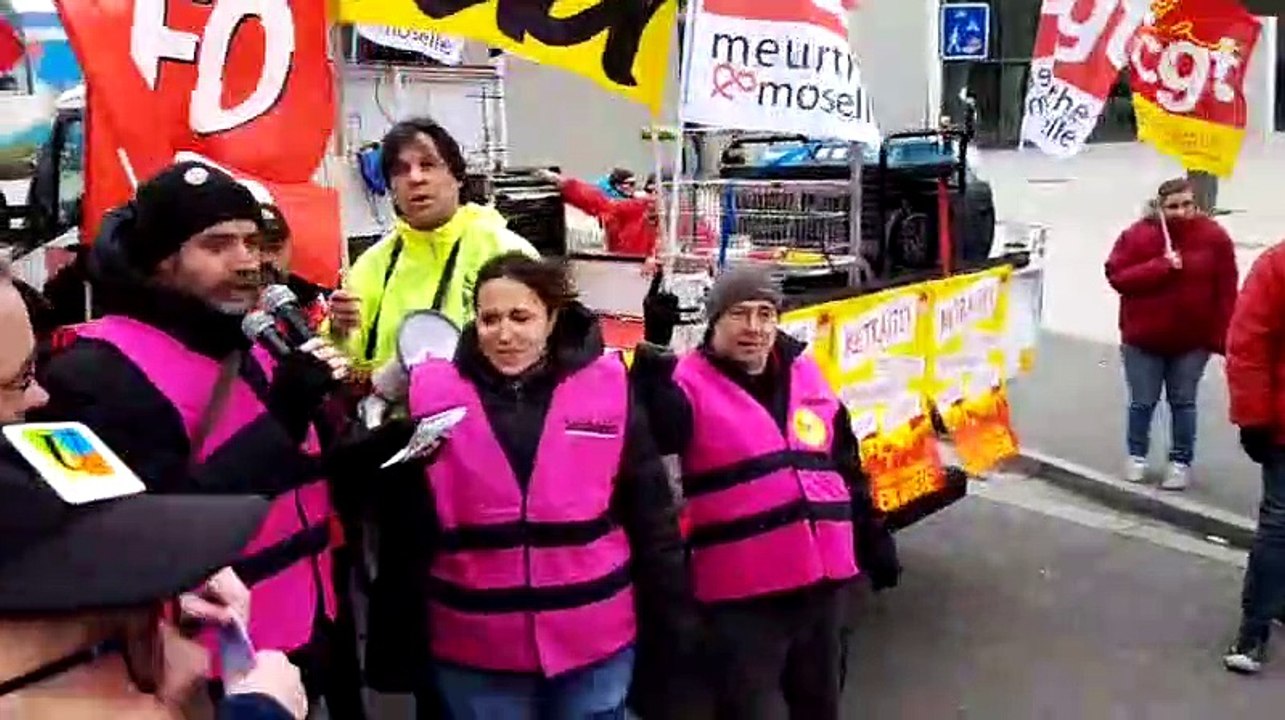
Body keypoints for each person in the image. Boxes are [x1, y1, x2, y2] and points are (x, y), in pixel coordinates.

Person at [30, 161, 349, 706]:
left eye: (253, 242)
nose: (247, 261)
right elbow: (138, 532)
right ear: (162, 261)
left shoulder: (253, 341)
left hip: (307, 636)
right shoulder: (96, 371)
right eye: (218, 244)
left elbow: (297, 477)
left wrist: (368, 458)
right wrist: (283, 420)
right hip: (208, 668)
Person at [383, 252, 694, 719]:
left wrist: (673, 620)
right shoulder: (429, 394)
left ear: (552, 318)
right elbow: (398, 529)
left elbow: (652, 517)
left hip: (594, 643)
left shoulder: (610, 386)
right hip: (476, 648)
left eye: (521, 317)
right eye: (489, 319)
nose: (504, 334)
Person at [0, 260, 306, 720]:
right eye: (111, 649)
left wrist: (154, 578)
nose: (40, 395)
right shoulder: (100, 373)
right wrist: (259, 713)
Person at [632, 266, 899, 720]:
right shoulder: (684, 384)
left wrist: (874, 536)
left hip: (824, 588)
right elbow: (652, 430)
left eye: (765, 313)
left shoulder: (806, 373)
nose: (753, 327)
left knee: (820, 707)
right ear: (714, 320)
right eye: (739, 313)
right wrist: (654, 350)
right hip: (744, 600)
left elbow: (844, 466)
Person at [328, 117, 538, 371]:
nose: (415, 178)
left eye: (427, 165)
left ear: (457, 176)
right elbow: (347, 361)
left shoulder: (504, 252)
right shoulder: (371, 265)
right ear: (391, 187)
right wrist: (338, 330)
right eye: (401, 170)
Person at [1104, 178, 1238, 490]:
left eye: (1187, 205)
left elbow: (1227, 289)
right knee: (1143, 402)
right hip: (1143, 340)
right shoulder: (1138, 235)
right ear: (1160, 208)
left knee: (1183, 402)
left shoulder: (1213, 237)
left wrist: (1223, 337)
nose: (1181, 212)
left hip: (1192, 341)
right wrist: (1160, 266)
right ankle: (1137, 456)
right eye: (1173, 207)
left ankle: (1180, 462)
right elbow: (1118, 276)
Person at [1222, 238, 1285, 673]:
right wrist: (1253, 417)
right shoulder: (1278, 265)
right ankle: (1255, 628)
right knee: (1279, 524)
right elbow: (1248, 345)